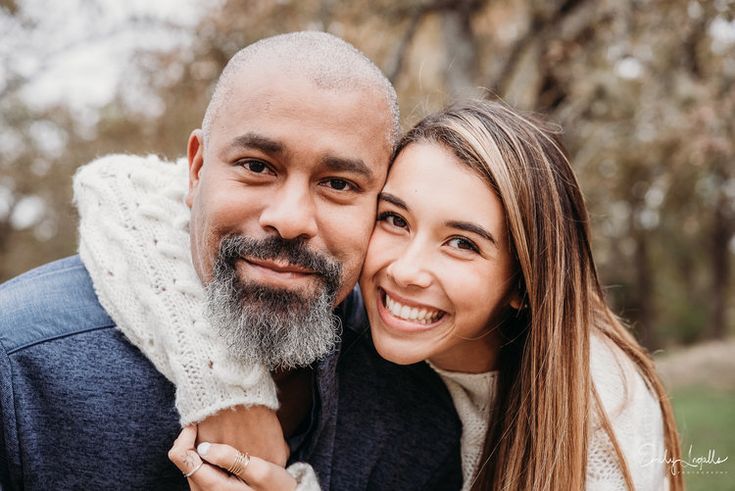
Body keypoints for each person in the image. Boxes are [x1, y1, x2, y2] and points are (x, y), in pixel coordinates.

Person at [77, 100, 684, 490]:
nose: (405, 270)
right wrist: (230, 392)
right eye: (394, 220)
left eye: (463, 245)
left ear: (525, 285)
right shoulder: (347, 295)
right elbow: (117, 188)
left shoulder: (598, 412)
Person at [0, 32, 464, 490]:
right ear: (197, 169)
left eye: (338, 184)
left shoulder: (420, 409)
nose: (289, 220)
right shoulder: (19, 367)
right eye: (257, 166)